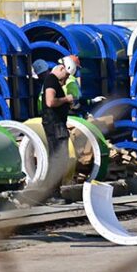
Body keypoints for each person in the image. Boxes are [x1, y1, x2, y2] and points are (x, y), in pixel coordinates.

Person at [41, 57, 75, 198]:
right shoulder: (51, 80)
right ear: (61, 69)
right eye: (66, 75)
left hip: (56, 124)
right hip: (54, 125)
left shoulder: (54, 81)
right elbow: (50, 101)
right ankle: (52, 194)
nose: (66, 80)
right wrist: (66, 99)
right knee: (58, 158)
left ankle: (53, 192)